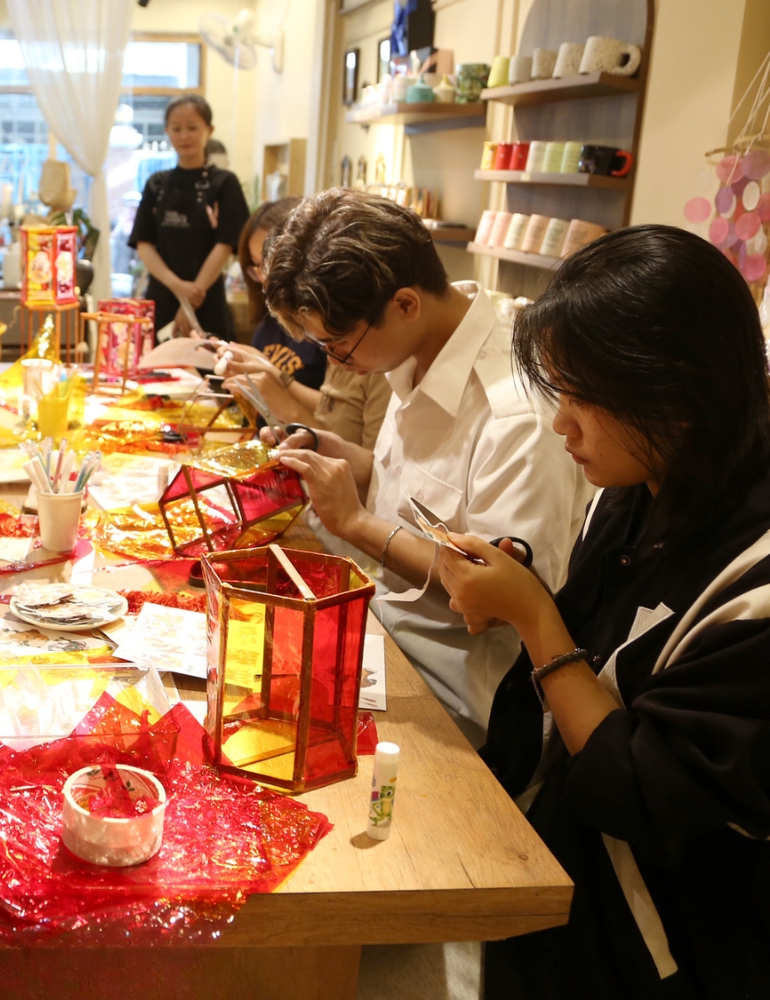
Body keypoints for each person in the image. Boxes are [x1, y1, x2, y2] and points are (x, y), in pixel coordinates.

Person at [436, 226, 770, 999]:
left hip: (667, 954)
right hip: (572, 891)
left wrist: (534, 619)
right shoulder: (643, 487)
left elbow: (640, 791)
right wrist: (521, 592)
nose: (561, 423)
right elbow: (600, 655)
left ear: (679, 392)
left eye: (583, 396)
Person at [264, 190, 591, 746]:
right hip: (385, 641)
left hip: (459, 702)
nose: (338, 362)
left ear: (406, 304)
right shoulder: (416, 353)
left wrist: (355, 523)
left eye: (339, 346)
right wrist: (336, 454)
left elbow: (502, 596)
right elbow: (411, 495)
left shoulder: (517, 413)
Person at [217, 196, 393, 450]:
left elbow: (366, 463)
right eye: (256, 266)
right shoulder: (275, 325)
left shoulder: (358, 339)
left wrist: (283, 390)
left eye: (270, 263)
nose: (265, 278)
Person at [128, 95, 251, 339]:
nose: (184, 136)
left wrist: (191, 298)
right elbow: (144, 244)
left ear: (209, 130)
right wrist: (179, 288)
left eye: (193, 128)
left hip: (205, 297)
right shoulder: (156, 184)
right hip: (163, 296)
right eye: (176, 129)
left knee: (211, 360)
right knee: (159, 361)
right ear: (167, 131)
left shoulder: (225, 183)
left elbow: (225, 245)